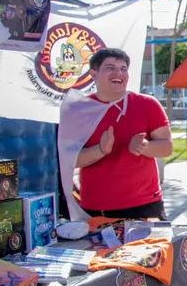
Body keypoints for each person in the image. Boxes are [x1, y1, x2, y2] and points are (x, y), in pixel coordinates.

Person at [74, 48, 173, 219]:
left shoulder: (148, 104)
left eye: (123, 69)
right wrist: (101, 150)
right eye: (110, 68)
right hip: (95, 208)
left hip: (144, 205)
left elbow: (167, 147)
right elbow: (71, 160)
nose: (118, 73)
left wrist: (144, 147)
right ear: (93, 74)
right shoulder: (79, 110)